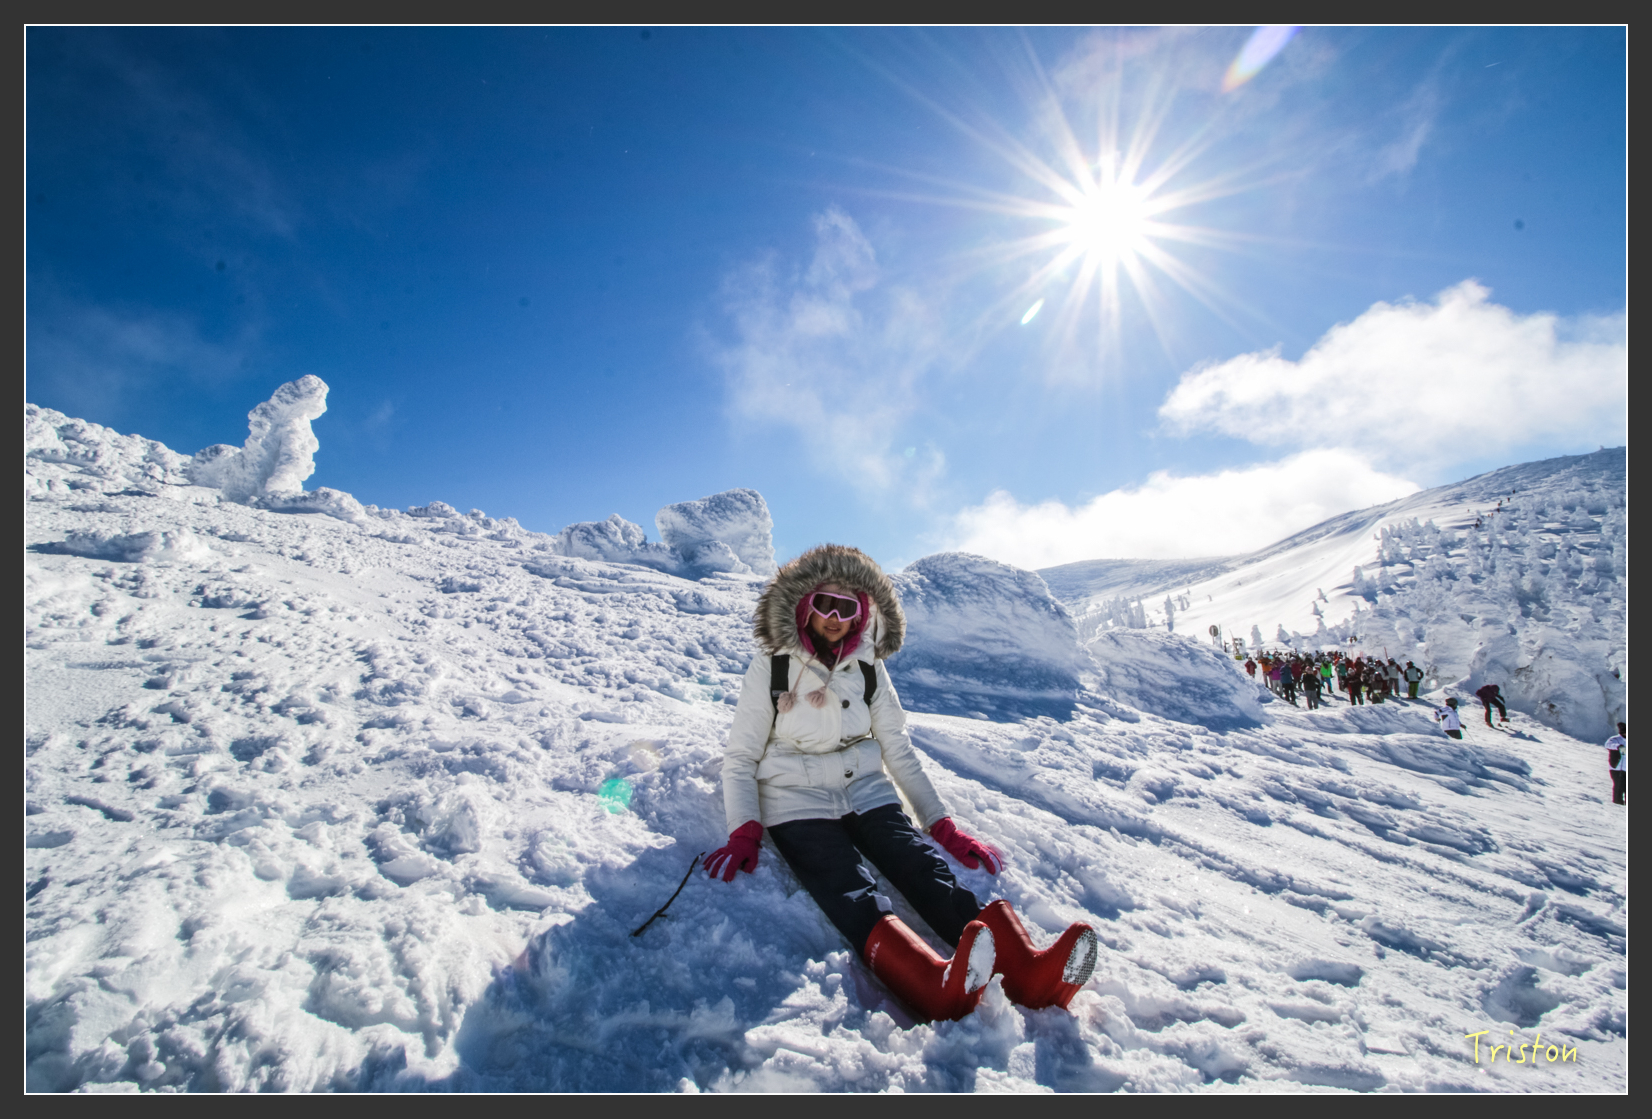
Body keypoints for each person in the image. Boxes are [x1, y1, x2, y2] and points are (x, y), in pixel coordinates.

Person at [708, 544, 1098, 1022]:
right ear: (804, 606)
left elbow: (898, 749)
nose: (834, 616)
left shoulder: (870, 671)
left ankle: (1030, 970)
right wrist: (744, 827)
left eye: (846, 607)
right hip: (796, 799)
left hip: (867, 792)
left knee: (922, 866)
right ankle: (931, 985)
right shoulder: (772, 669)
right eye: (824, 604)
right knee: (847, 886)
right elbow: (742, 756)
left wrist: (941, 825)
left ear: (862, 614)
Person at [1605, 722, 1626, 805]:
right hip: (1616, 768)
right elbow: (1607, 745)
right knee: (1618, 786)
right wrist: (1618, 747)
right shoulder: (1615, 739)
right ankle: (1617, 803)